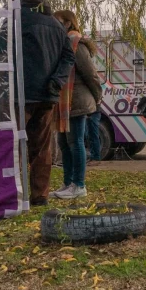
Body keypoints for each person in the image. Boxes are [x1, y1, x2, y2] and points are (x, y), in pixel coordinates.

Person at [16, 0, 75, 206]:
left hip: (22, 93)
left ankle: (12, 192)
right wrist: (57, 81)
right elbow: (69, 57)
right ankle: (40, 195)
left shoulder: (17, 19)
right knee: (42, 147)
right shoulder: (57, 26)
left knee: (14, 144)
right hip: (48, 94)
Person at [51, 10, 102, 200]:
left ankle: (79, 185)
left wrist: (98, 96)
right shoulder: (62, 43)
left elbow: (90, 74)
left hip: (77, 100)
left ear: (69, 23)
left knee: (75, 142)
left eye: (59, 22)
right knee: (63, 143)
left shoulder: (76, 44)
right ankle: (67, 183)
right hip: (64, 102)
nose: (56, 25)